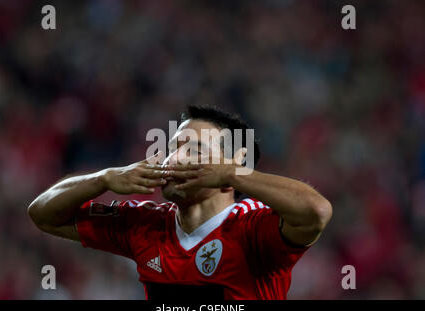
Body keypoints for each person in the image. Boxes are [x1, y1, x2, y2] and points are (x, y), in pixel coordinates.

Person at [28, 105, 332, 300]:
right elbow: (44, 214)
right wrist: (104, 178)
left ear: (234, 162)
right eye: (174, 149)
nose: (176, 159)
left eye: (195, 150)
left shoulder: (254, 227)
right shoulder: (144, 224)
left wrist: (233, 175)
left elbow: (316, 212)